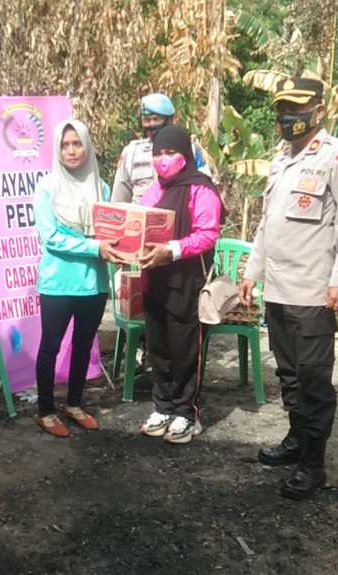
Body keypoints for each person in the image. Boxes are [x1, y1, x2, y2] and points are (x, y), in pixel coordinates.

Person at [238, 76, 338, 499]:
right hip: (277, 290)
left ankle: (313, 464)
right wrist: (252, 273)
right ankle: (295, 441)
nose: (286, 117)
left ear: (319, 110)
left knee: (313, 381)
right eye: (282, 110)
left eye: (295, 108)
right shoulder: (280, 159)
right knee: (289, 375)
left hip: (313, 292)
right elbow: (266, 224)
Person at [32, 119, 121, 437]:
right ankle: (45, 411)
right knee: (50, 347)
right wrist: (95, 247)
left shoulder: (102, 188)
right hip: (58, 283)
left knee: (83, 345)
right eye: (65, 145)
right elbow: (52, 238)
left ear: (87, 146)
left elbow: (111, 232)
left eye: (77, 143)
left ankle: (74, 404)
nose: (71, 151)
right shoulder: (46, 188)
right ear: (57, 149)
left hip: (93, 283)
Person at [136, 124, 222, 444]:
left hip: (187, 282)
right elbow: (139, 223)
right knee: (158, 346)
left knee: (185, 349)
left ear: (185, 153)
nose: (163, 159)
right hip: (154, 280)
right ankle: (163, 406)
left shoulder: (201, 189)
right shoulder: (155, 190)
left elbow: (207, 234)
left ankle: (186, 412)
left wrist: (171, 250)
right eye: (158, 153)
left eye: (170, 152)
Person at [111, 93, 209, 204]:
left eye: (156, 119)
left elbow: (204, 188)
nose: (151, 125)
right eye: (147, 120)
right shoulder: (131, 152)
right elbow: (119, 200)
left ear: (170, 121)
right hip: (139, 212)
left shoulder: (190, 149)